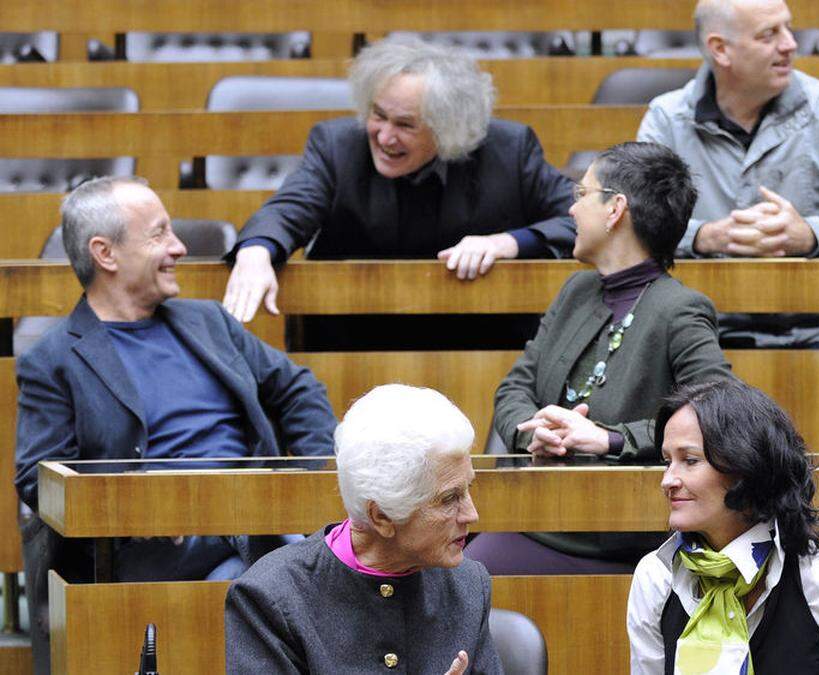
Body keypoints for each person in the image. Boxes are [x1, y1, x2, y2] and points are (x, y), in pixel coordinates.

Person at [15, 176, 336, 674]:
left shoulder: (209, 321)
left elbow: (299, 390)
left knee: (316, 569)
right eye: (159, 234)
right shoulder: (52, 360)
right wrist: (141, 505)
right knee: (266, 587)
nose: (179, 248)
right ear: (106, 253)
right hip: (159, 547)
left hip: (257, 518)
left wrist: (313, 482)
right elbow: (36, 476)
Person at [469, 141, 734, 574]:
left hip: (616, 530)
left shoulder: (679, 309)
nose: (571, 211)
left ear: (615, 210)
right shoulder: (575, 291)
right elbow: (515, 387)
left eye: (581, 196)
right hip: (538, 513)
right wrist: (533, 433)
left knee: (464, 580)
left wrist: (609, 439)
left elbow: (718, 415)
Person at [222, 37, 576, 347]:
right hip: (352, 346)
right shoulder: (337, 145)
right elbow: (289, 207)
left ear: (449, 128)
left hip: (479, 348)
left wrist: (506, 243)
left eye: (405, 125)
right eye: (378, 115)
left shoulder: (509, 150)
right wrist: (257, 251)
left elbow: (587, 218)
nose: (385, 136)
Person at [638, 0, 819, 348]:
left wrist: (808, 235)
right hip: (698, 334)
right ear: (721, 50)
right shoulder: (667, 119)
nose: (790, 44)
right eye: (769, 35)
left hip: (813, 329)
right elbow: (634, 229)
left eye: (788, 28)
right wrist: (706, 238)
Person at [225, 384, 501, 674]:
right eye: (449, 499)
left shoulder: (468, 584)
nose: (472, 514)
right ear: (381, 516)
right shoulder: (270, 597)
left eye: (467, 489)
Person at [628, 379, 819, 674]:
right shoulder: (656, 576)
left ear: (746, 466)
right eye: (667, 461)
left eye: (690, 460)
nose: (668, 481)